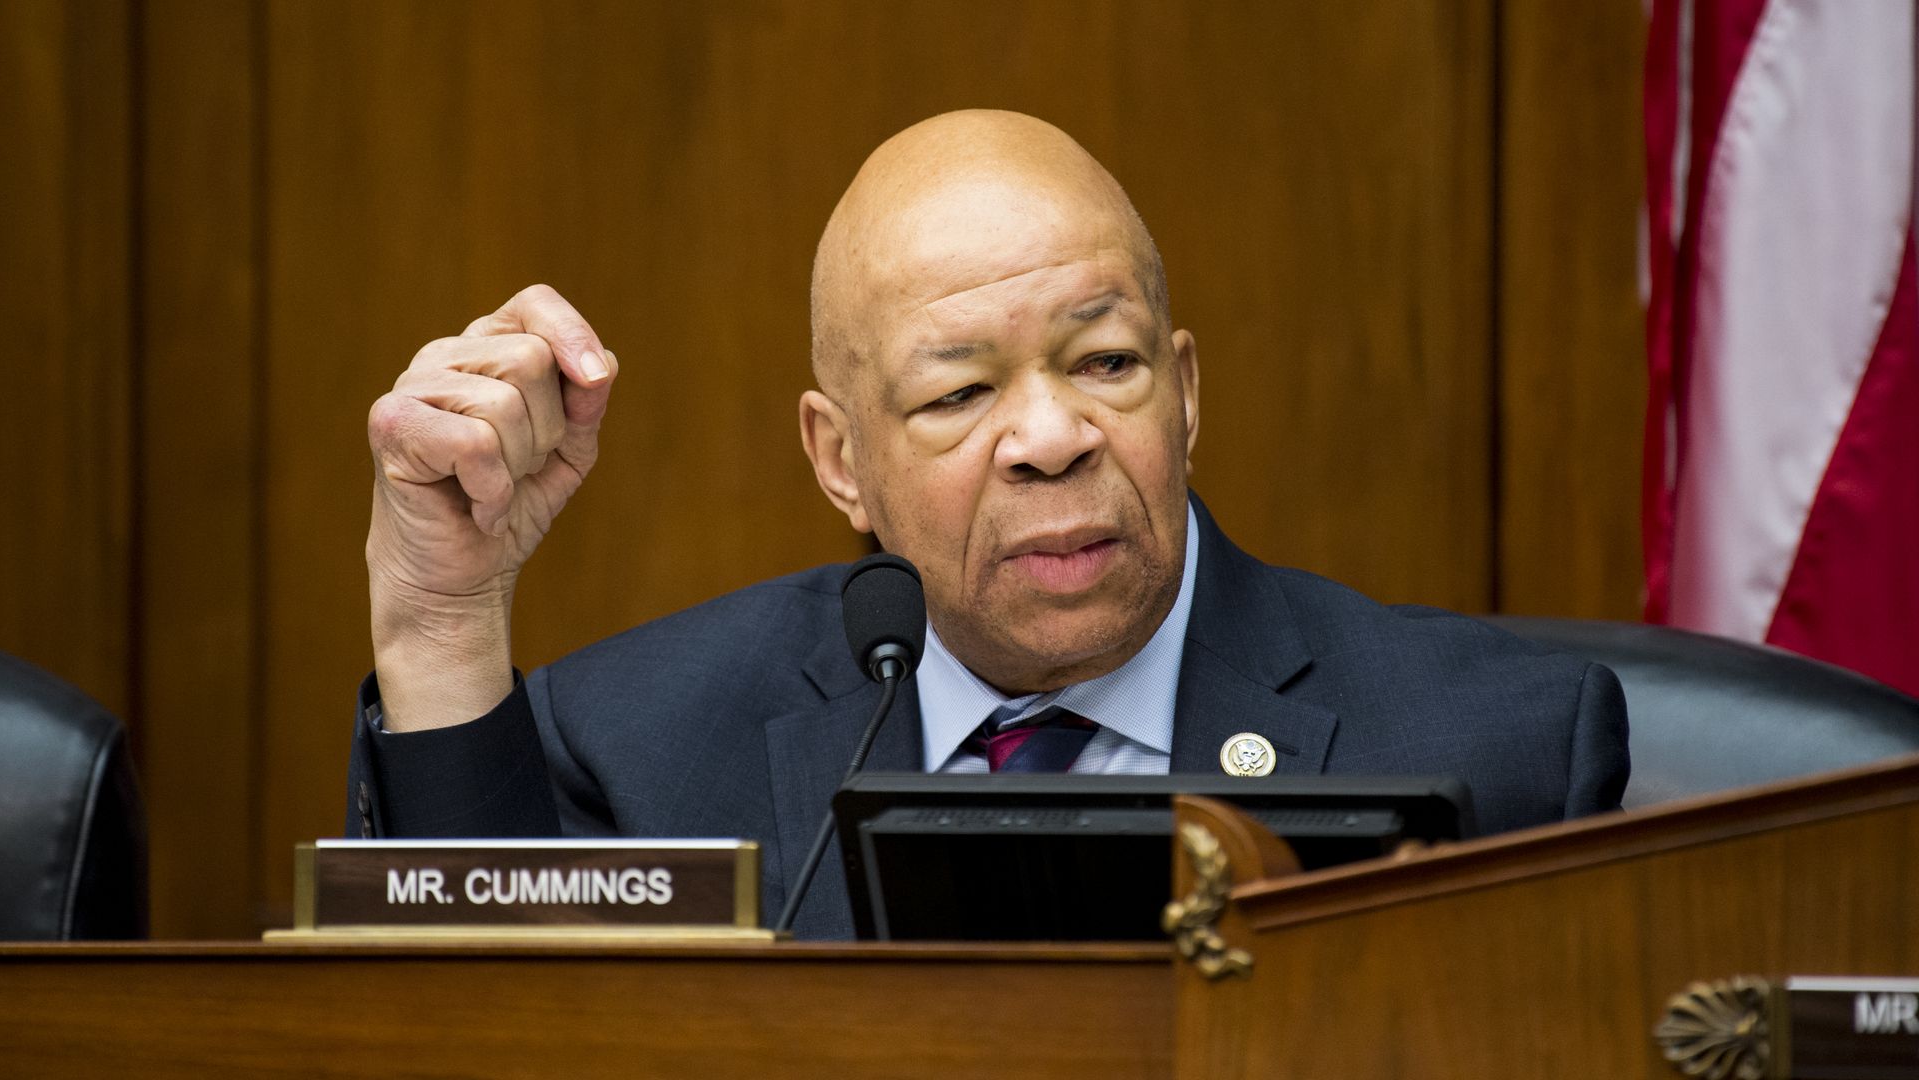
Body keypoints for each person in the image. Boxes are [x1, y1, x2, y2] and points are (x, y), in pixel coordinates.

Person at [349, 110, 1628, 939]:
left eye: (1106, 364)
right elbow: (489, 1032)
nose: (1053, 436)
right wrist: (444, 621)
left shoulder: (1504, 755)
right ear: (840, 461)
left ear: (1185, 395)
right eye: (960, 393)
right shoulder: (647, 752)